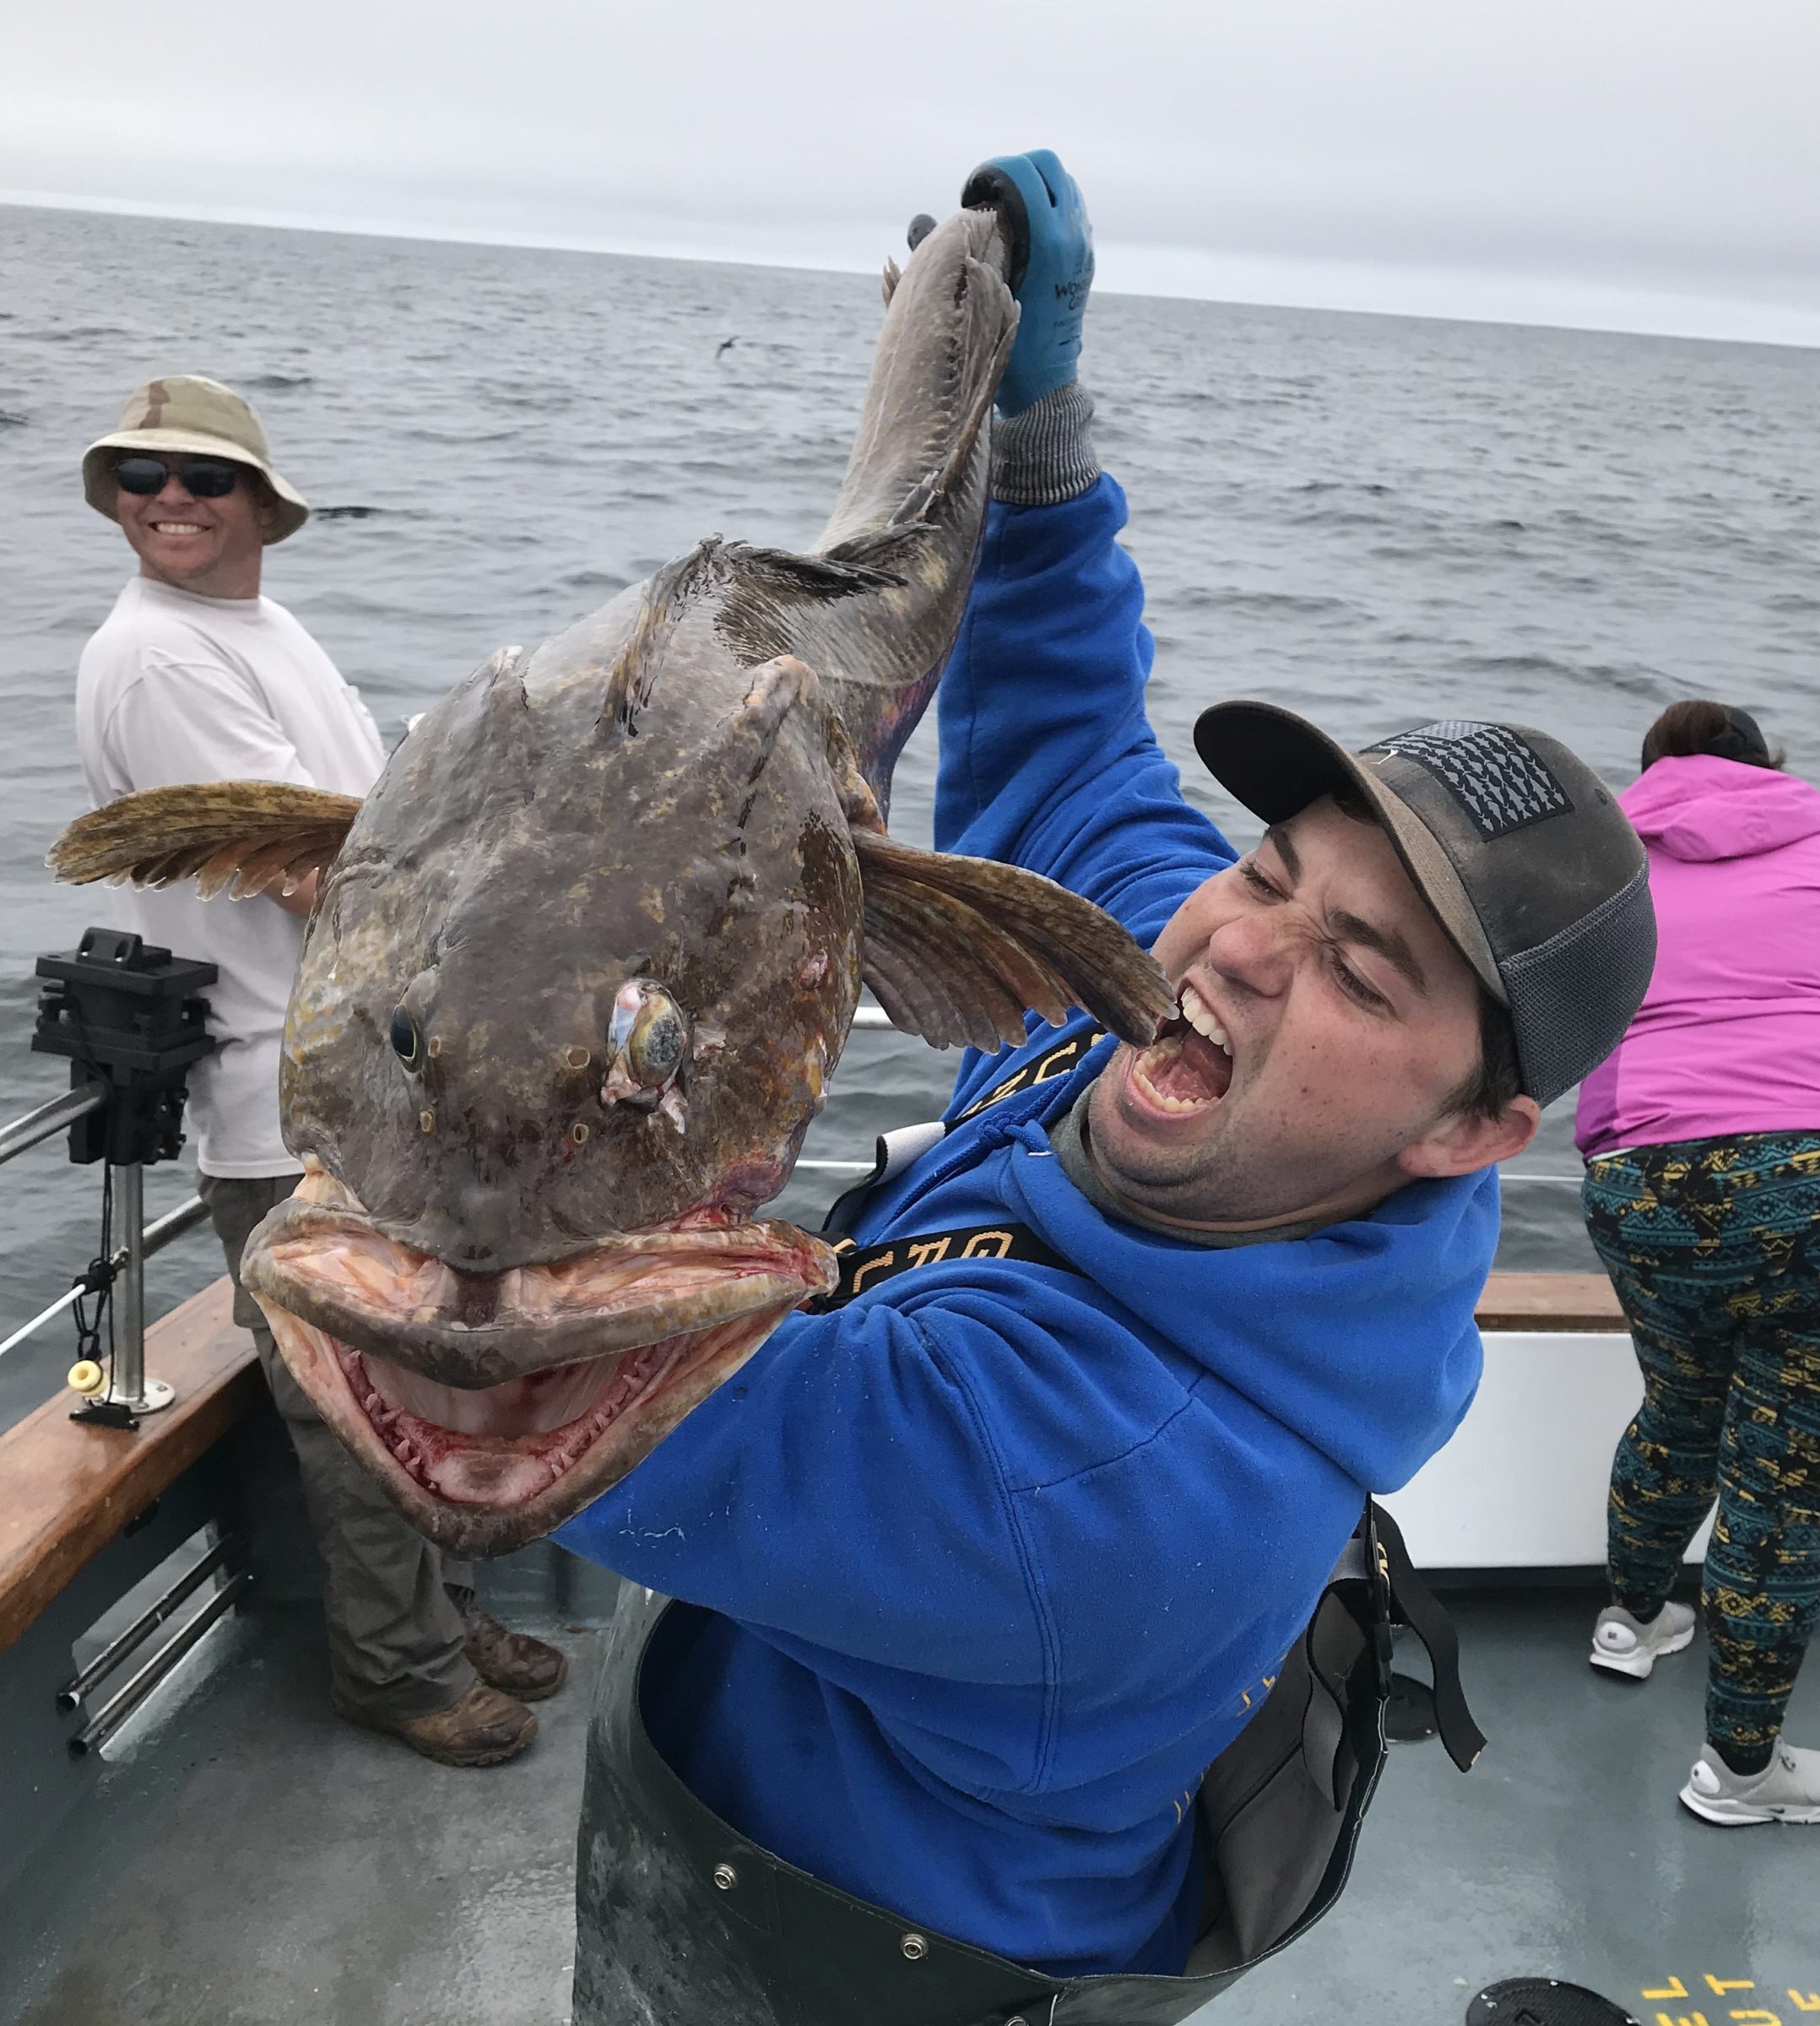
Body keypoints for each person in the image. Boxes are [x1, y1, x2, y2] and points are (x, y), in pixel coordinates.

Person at [556, 154, 1657, 2018]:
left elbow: (550, 1371)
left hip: (851, 1961)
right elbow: (1072, 738)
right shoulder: (1185, 993)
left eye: (1360, 967)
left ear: (1475, 1134)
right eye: (1271, 873)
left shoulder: (1106, 1479)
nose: (1239, 946)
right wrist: (1034, 427)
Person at [74, 375, 566, 1767]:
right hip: (280, 1106)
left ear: (263, 508)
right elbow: (312, 874)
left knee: (429, 1382)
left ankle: (443, 1605)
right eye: (140, 475)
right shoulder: (163, 656)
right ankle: (395, 1666)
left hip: (373, 1095)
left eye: (203, 477)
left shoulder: (252, 626)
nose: (169, 497)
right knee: (354, 1409)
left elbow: (373, 814)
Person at [1575, 698, 1820, 1827]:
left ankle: (1632, 1623)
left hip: (1655, 1183)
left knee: (1679, 1411)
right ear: (1773, 770)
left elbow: (1560, 1029)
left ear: (1650, 775)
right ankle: (1741, 1776)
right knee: (1779, 1495)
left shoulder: (1604, 877)